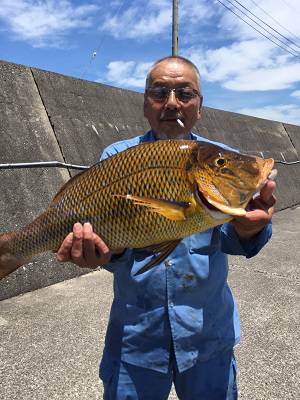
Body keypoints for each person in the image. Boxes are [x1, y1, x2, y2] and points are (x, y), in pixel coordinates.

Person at [56, 56, 276, 400]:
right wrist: (101, 252)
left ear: (199, 107)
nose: (172, 102)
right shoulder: (117, 156)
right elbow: (110, 237)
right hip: (135, 342)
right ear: (146, 103)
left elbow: (233, 236)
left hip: (208, 338)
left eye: (184, 93)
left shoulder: (224, 159)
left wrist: (249, 230)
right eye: (159, 92)